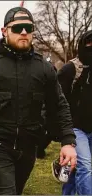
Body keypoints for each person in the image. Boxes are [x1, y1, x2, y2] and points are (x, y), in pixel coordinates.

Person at [0, 7, 77, 195]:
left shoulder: (44, 68)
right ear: (4, 31)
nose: (24, 32)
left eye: (28, 27)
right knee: (7, 192)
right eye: (17, 28)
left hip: (28, 146)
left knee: (15, 190)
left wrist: (68, 141)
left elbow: (59, 105)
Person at [59, 30, 92, 195]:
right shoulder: (70, 69)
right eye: (89, 43)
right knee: (86, 166)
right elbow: (55, 101)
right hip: (75, 128)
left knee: (75, 167)